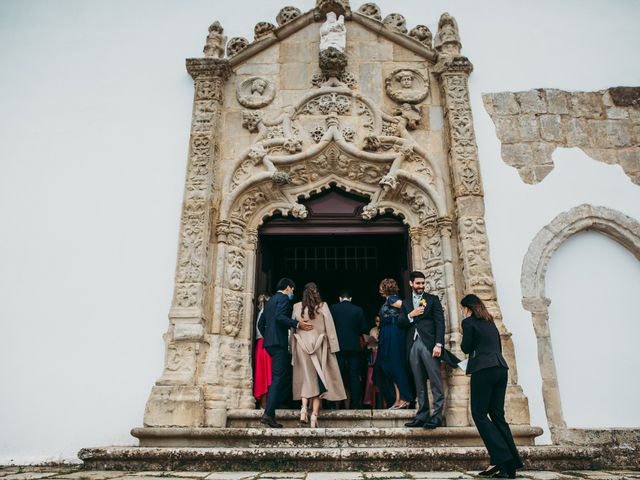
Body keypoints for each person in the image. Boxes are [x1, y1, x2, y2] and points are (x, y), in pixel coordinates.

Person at [460, 294, 523, 479]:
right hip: (501, 368)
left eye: (463, 309)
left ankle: (502, 457)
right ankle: (509, 467)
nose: (463, 312)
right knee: (497, 415)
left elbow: (465, 348)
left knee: (479, 414)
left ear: (467, 308)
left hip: (484, 370)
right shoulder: (490, 321)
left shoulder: (468, 323)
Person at [399, 271, 460, 429]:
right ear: (411, 284)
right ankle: (422, 415)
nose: (421, 286)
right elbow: (400, 323)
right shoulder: (406, 303)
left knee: (435, 380)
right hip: (412, 344)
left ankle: (437, 416)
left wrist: (438, 344)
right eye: (418, 283)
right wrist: (411, 315)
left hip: (429, 344)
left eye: (423, 283)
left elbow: (440, 322)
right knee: (418, 382)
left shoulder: (432, 300)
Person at [257, 278, 313, 428]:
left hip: (269, 344)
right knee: (278, 378)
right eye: (292, 290)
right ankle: (268, 414)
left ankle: (271, 414)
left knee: (281, 376)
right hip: (279, 344)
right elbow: (280, 317)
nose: (292, 292)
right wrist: (297, 324)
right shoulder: (283, 299)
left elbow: (260, 324)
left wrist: (268, 336)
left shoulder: (269, 303)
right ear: (288, 287)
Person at [291, 282, 346, 427]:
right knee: (318, 379)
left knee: (306, 377)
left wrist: (291, 349)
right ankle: (314, 415)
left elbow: (292, 331)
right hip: (319, 346)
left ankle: (303, 408)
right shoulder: (322, 306)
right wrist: (334, 347)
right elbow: (330, 328)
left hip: (302, 346)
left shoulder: (296, 307)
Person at [376, 278, 413, 409]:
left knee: (395, 364)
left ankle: (405, 398)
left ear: (383, 289)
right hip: (388, 333)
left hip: (393, 333)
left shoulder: (392, 299)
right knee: (390, 366)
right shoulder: (389, 300)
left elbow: (405, 307)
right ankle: (398, 399)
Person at [330, 289, 367, 409]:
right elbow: (363, 328)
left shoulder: (334, 308)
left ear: (340, 298)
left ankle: (332, 403)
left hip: (338, 346)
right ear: (350, 298)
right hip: (354, 346)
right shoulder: (358, 309)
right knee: (354, 375)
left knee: (337, 375)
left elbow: (330, 327)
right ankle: (356, 404)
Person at [253, 294, 272, 409]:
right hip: (265, 344)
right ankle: (265, 404)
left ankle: (264, 404)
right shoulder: (266, 313)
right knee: (266, 375)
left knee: (263, 375)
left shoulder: (261, 313)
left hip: (261, 345)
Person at [363, 314, 381, 408]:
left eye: (379, 321)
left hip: (382, 355)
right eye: (377, 321)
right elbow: (370, 345)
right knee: (370, 379)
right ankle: (370, 401)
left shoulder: (385, 329)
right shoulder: (372, 330)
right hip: (373, 355)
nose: (378, 323)